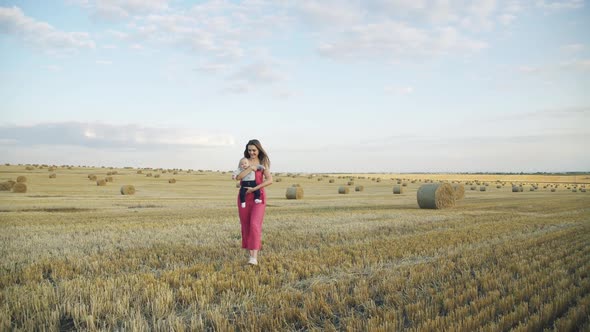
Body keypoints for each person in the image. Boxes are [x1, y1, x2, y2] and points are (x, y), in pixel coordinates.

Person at [233, 139, 273, 266]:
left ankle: (254, 257)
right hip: (244, 197)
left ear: (259, 150)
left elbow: (270, 180)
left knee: (255, 224)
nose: (252, 152)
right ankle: (251, 256)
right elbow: (239, 177)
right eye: (249, 150)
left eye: (254, 150)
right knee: (246, 225)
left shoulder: (262, 163)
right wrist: (250, 168)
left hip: (258, 196)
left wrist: (255, 189)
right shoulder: (244, 162)